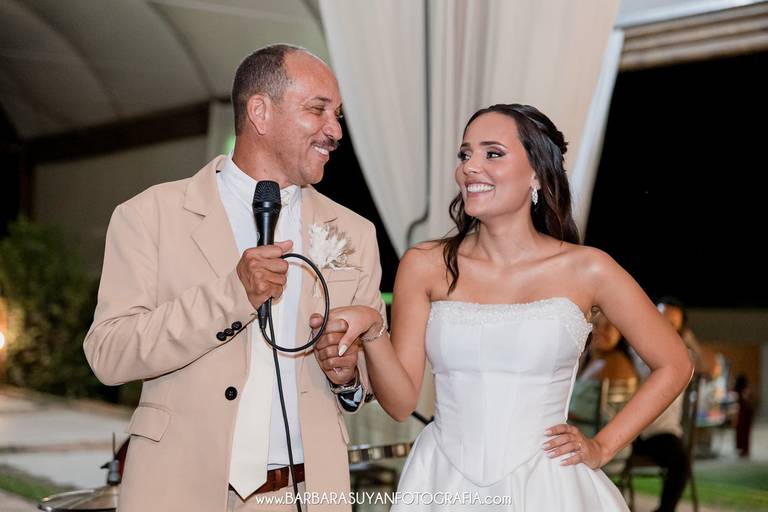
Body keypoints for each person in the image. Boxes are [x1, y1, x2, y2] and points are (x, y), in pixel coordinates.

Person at [311, 104, 693, 510]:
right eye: (465, 154)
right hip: (443, 482)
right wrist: (374, 329)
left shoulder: (588, 269)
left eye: (492, 153)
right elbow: (401, 403)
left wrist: (603, 446)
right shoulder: (424, 265)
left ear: (536, 174)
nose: (469, 167)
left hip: (549, 486)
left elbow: (675, 364)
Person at [84, 44, 385, 512]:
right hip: (176, 491)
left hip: (302, 494)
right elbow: (109, 354)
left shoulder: (354, 233)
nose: (336, 130)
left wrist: (349, 378)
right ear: (260, 112)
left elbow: (367, 372)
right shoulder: (149, 215)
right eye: (318, 110)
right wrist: (232, 295)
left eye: (338, 115)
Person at [630, 297, 701, 512]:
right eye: (659, 318)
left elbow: (712, 368)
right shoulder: (632, 349)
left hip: (661, 433)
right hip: (628, 430)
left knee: (680, 462)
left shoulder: (684, 356)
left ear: (680, 330)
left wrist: (690, 339)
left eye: (671, 323)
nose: (662, 326)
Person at [569, 313, 638, 438]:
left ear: (621, 331)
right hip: (579, 437)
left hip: (598, 441)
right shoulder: (589, 358)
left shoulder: (617, 363)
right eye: (595, 325)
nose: (599, 331)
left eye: (608, 326)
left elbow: (605, 417)